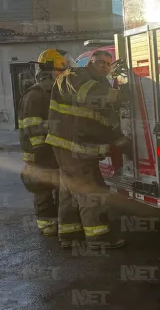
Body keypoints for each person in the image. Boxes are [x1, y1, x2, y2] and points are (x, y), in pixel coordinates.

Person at [46, 50, 131, 249]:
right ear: (89, 63)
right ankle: (98, 238)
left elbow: (102, 122)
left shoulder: (100, 83)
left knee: (70, 190)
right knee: (92, 190)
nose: (103, 66)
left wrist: (118, 139)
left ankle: (69, 235)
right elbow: (89, 95)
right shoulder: (74, 76)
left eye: (107, 64)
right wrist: (120, 95)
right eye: (99, 62)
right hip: (73, 145)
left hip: (74, 145)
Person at [18, 49, 70, 236]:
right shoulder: (36, 94)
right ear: (52, 68)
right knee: (42, 189)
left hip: (53, 150)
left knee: (58, 186)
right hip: (39, 152)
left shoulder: (54, 91)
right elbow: (32, 125)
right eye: (62, 67)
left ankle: (58, 221)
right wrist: (40, 151)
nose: (65, 71)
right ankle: (47, 225)